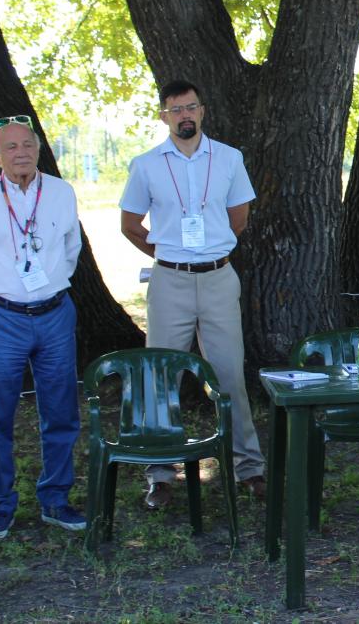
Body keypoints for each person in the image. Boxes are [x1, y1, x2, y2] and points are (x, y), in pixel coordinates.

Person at [119, 80, 266, 507]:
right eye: (175, 109)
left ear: (202, 111)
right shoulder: (146, 165)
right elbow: (130, 224)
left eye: (191, 107)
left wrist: (207, 251)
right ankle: (160, 473)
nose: (184, 115)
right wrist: (170, 252)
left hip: (219, 277)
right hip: (169, 281)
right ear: (163, 116)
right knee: (158, 376)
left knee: (229, 376)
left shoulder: (229, 159)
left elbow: (238, 218)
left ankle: (248, 467)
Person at [0, 115, 86, 538]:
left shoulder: (62, 193)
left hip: (53, 314)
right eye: (10, 147)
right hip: (1, 319)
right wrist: (3, 295)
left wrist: (46, 287)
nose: (21, 153)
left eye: (27, 145)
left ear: (38, 149)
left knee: (61, 411)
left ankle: (55, 499)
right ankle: (0, 504)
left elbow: (71, 249)